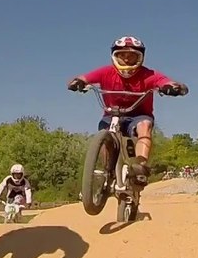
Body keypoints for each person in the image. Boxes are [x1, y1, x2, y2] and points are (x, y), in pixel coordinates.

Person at [67, 35, 188, 184]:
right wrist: (77, 82)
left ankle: (140, 166)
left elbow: (164, 81)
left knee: (145, 126)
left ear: (140, 58)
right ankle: (108, 170)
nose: (126, 60)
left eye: (131, 56)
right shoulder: (106, 72)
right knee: (104, 136)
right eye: (122, 56)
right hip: (111, 114)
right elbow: (85, 77)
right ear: (114, 57)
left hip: (139, 115)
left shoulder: (148, 74)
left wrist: (173, 87)